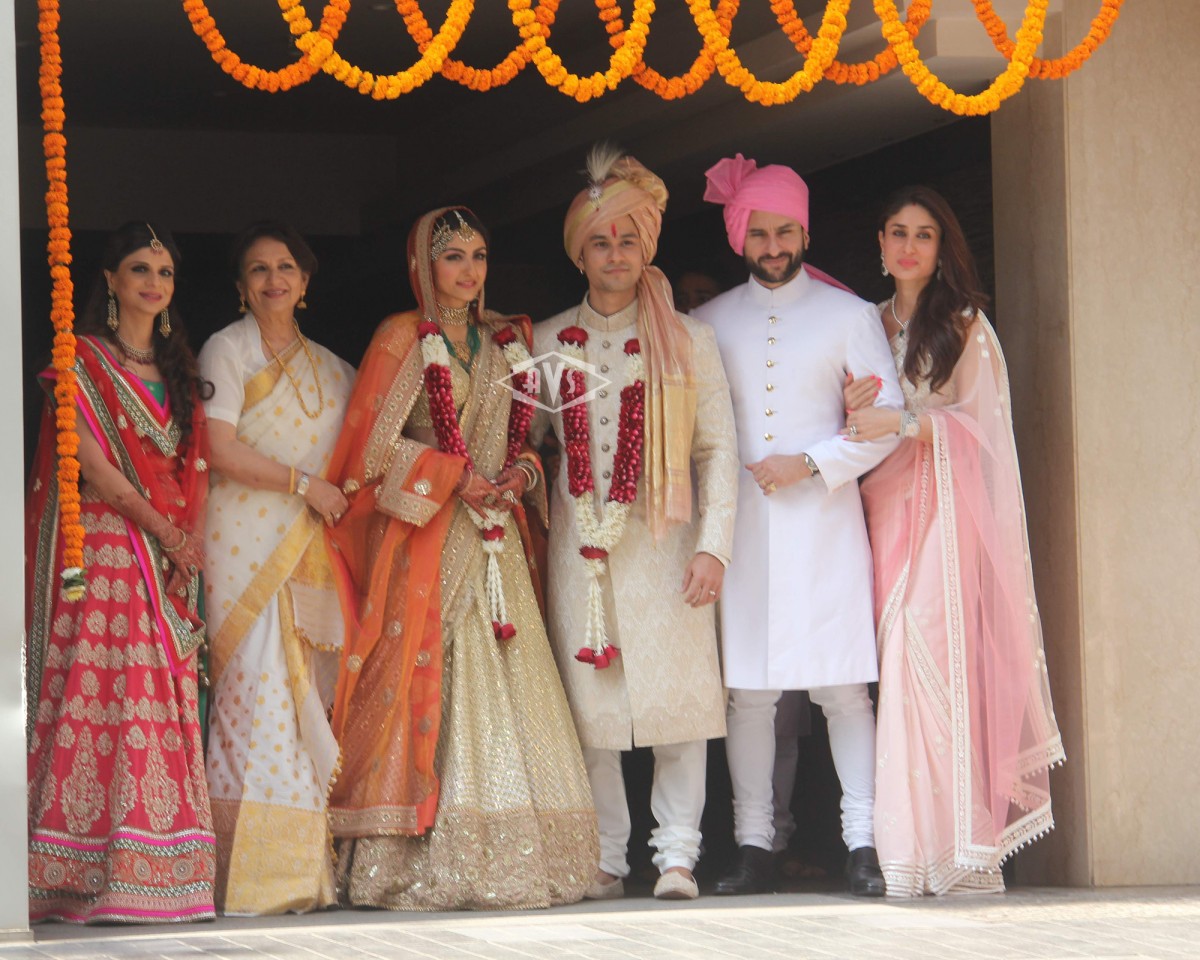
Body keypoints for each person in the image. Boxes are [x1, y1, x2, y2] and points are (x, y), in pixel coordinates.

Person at [325, 207, 598, 910]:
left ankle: (523, 856)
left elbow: (528, 441)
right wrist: (454, 477)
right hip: (430, 539)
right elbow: (373, 450)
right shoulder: (402, 336)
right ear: (424, 265)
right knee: (432, 678)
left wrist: (521, 475)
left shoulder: (506, 339)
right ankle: (418, 854)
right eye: (453, 257)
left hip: (497, 535)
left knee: (513, 676)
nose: (469, 270)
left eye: (478, 255)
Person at [842, 186, 1064, 896]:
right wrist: (852, 413)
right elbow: (842, 423)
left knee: (934, 661)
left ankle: (964, 852)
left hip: (944, 513)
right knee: (896, 673)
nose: (909, 246)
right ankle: (908, 854)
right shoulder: (863, 324)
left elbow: (984, 431)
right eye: (897, 231)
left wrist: (905, 423)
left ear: (942, 250)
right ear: (880, 244)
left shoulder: (965, 326)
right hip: (881, 512)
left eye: (924, 234)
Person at [695, 155, 902, 897]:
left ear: (805, 233)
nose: (774, 246)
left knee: (843, 691)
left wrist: (810, 463)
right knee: (748, 696)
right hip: (742, 534)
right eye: (760, 233)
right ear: (739, 237)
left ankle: (864, 844)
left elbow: (887, 423)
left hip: (825, 526)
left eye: (786, 231)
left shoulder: (851, 316)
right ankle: (754, 848)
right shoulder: (708, 322)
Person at [535, 146, 738, 902]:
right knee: (591, 712)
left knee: (677, 705)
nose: (615, 254)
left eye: (627, 239)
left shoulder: (688, 339)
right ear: (579, 254)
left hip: (666, 545)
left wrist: (715, 547)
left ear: (646, 246)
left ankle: (677, 857)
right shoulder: (546, 341)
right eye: (600, 242)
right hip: (581, 550)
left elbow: (718, 450)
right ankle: (607, 859)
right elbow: (525, 444)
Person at [25, 222, 215, 923]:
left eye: (164, 272)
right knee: (109, 696)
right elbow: (96, 469)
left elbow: (192, 469)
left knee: (160, 697)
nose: (153, 283)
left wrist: (184, 544)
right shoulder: (80, 359)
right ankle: (85, 872)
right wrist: (165, 532)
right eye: (139, 269)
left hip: (168, 556)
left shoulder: (177, 369)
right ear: (109, 280)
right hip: (109, 548)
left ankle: (163, 869)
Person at [199, 222, 355, 915]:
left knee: (308, 704)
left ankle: (306, 872)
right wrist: (303, 484)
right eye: (258, 269)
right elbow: (220, 449)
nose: (273, 280)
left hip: (311, 554)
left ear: (305, 281)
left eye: (286, 266)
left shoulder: (336, 369)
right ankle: (249, 879)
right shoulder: (226, 349)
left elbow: (362, 454)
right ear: (241, 285)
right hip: (243, 551)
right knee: (255, 701)